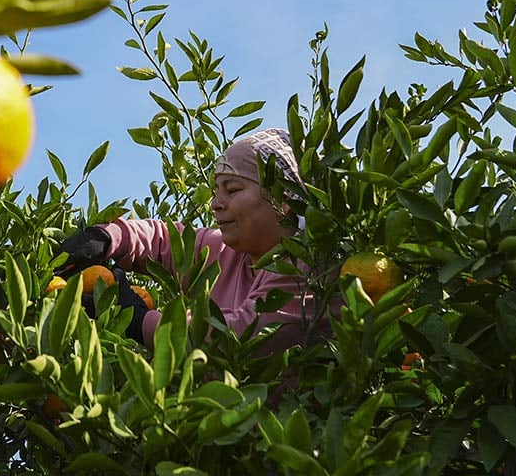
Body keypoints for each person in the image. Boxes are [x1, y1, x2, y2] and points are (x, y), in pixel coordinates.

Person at [56, 127, 326, 353]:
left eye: (232, 189)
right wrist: (106, 237)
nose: (215, 204)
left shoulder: (309, 269)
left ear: (283, 198)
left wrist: (139, 322)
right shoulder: (228, 251)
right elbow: (164, 241)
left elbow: (236, 339)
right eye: (216, 190)